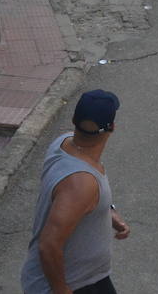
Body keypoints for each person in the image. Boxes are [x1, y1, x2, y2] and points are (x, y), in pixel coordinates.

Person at [20, 90, 130, 294]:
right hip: (69, 284)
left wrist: (108, 211)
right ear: (112, 127)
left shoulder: (65, 142)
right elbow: (49, 245)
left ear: (74, 120)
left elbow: (82, 201)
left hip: (90, 277)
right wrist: (62, 290)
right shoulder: (81, 184)